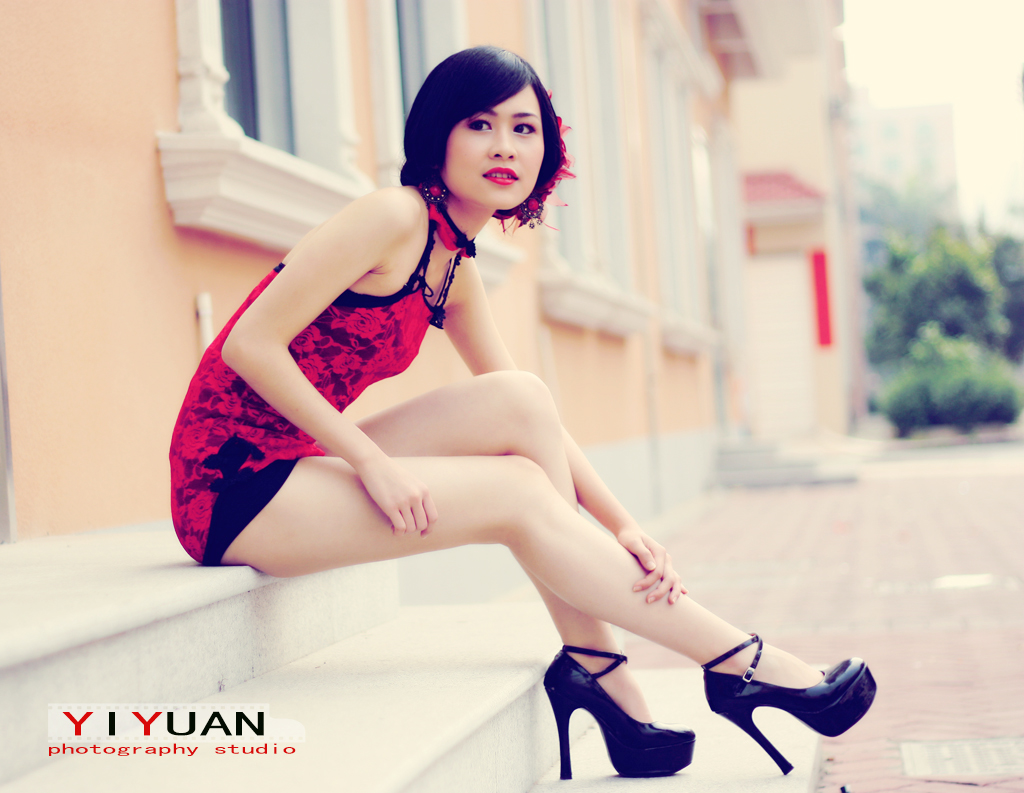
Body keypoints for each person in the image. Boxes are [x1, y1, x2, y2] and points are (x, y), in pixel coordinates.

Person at [169, 46, 874, 780]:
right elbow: (248, 344)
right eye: (480, 124)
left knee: (521, 396)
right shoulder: (391, 216)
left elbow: (527, 416)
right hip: (229, 487)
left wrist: (620, 522)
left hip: (297, 460)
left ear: (545, 151)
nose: (505, 145)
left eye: (524, 128)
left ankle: (600, 669)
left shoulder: (452, 262)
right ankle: (740, 662)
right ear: (439, 135)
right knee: (517, 493)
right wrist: (370, 462)